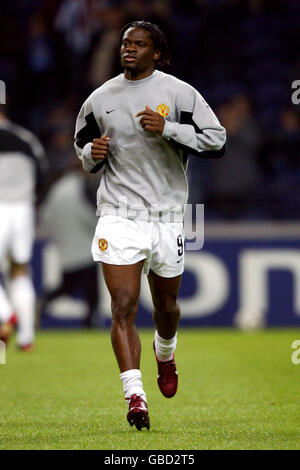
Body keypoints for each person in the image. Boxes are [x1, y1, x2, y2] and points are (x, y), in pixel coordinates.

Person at [74, 20, 226, 430]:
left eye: (139, 44)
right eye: (126, 43)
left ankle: (166, 351)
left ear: (156, 53)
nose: (129, 49)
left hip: (167, 218)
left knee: (167, 309)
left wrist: (170, 129)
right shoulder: (100, 99)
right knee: (122, 307)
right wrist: (93, 153)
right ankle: (135, 397)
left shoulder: (179, 93)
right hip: (118, 215)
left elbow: (217, 139)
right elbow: (82, 148)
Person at [0, 104, 48, 350]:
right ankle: (26, 337)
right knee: (19, 270)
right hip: (24, 209)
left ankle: (6, 313)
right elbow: (43, 177)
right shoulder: (26, 139)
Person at [39, 164, 100, 328]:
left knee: (66, 287)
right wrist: (101, 226)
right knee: (92, 293)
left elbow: (45, 217)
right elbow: (86, 214)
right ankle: (89, 325)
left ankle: (41, 303)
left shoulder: (57, 189)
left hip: (67, 248)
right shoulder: (79, 187)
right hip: (85, 249)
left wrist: (60, 236)